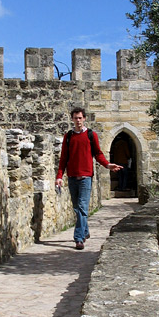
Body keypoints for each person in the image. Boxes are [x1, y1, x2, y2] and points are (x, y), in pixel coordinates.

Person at [55, 107, 122, 250]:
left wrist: (108, 165)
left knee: (82, 207)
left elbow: (98, 154)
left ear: (84, 118)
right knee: (76, 208)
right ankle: (85, 231)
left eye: (80, 118)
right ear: (72, 119)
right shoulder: (68, 137)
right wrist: (59, 176)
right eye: (75, 118)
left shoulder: (91, 135)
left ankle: (79, 239)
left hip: (86, 177)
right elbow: (63, 159)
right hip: (72, 177)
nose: (78, 120)